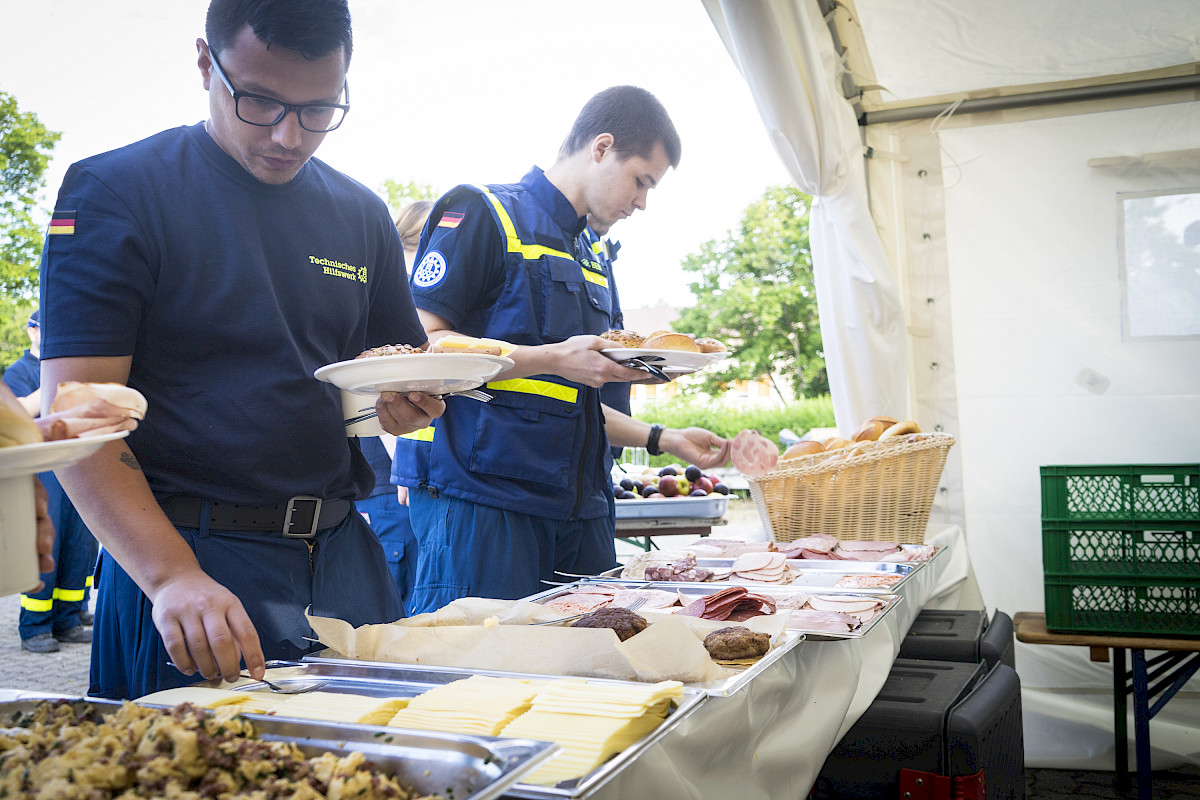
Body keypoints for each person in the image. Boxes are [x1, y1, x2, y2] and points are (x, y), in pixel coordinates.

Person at [38, 0, 444, 700]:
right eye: (260, 101)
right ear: (205, 64)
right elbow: (77, 423)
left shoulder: (360, 213)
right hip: (191, 561)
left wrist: (401, 408)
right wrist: (169, 575)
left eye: (319, 109)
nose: (289, 135)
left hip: (345, 552)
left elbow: (379, 388)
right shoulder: (117, 192)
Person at [395, 86, 729, 614]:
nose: (643, 202)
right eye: (641, 180)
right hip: (488, 504)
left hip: (584, 512)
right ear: (601, 147)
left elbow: (573, 396)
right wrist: (551, 358)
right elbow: (424, 346)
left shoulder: (595, 254)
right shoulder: (484, 211)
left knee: (590, 678)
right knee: (476, 677)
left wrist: (664, 433)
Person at [2, 310, 98, 653]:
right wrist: (50, 388)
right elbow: (15, 417)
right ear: (32, 331)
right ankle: (35, 627)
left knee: (78, 549)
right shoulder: (21, 372)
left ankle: (68, 619)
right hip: (43, 469)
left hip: (74, 463)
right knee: (47, 547)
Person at [357, 199, 433, 613]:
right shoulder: (400, 285)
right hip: (392, 476)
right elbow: (392, 385)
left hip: (393, 475)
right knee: (398, 608)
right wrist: (407, 461)